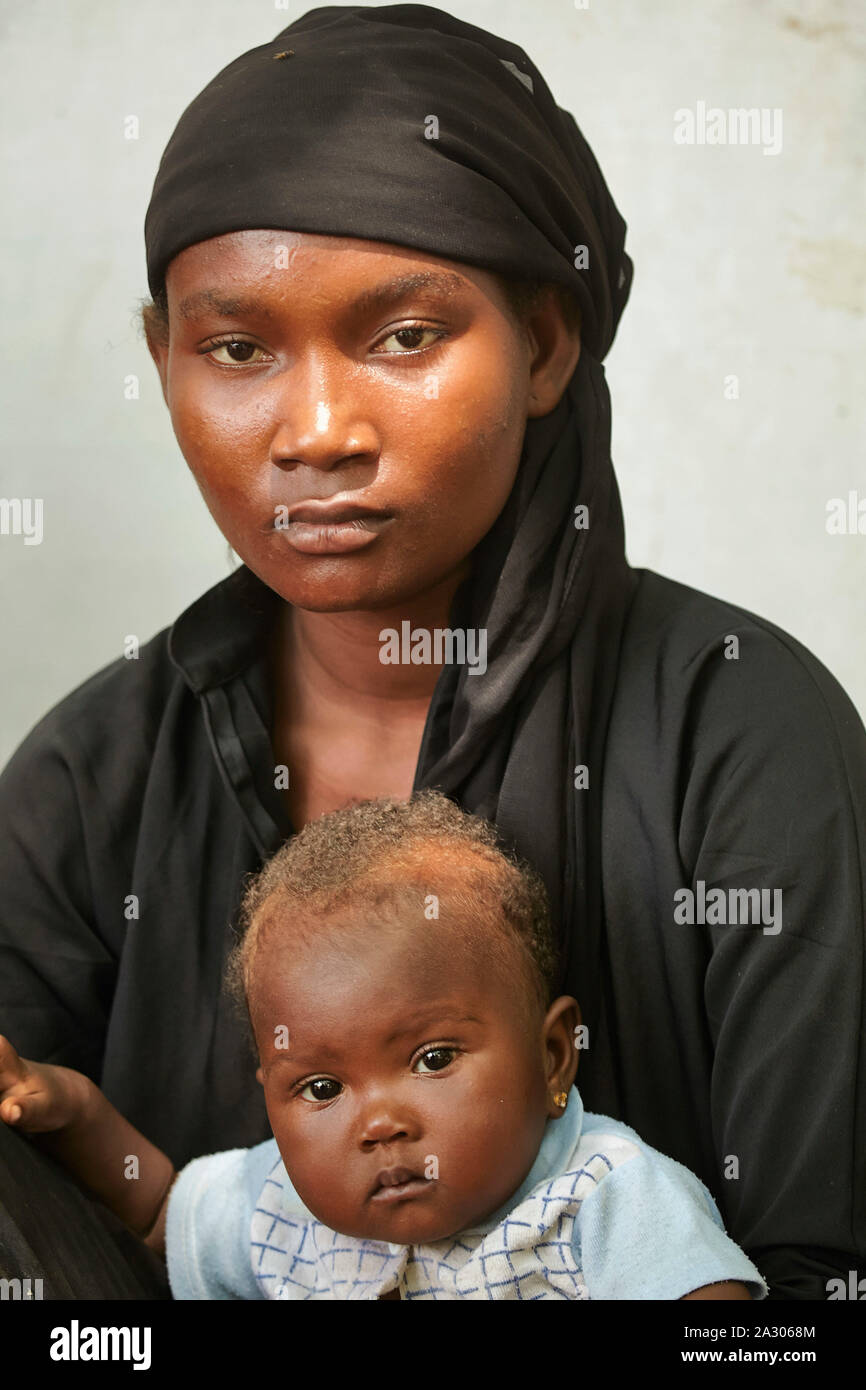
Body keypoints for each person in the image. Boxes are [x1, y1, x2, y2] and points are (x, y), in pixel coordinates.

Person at [0, 4, 863, 1301]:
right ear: (163, 358)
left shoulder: (738, 729)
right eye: (237, 348)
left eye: (402, 335)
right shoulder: (92, 770)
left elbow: (821, 1277)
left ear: (546, 343)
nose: (317, 430)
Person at [0, 792, 769, 1302]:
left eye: (433, 1060)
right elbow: (161, 1212)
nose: (380, 1124)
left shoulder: (602, 1195)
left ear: (552, 1057)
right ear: (268, 1090)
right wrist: (73, 1112)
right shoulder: (282, 1207)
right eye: (322, 1089)